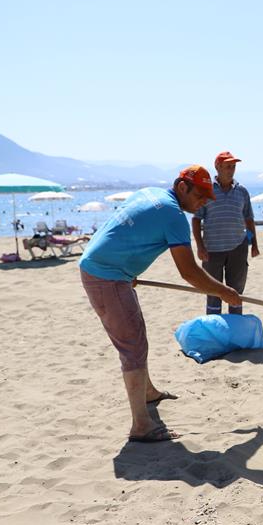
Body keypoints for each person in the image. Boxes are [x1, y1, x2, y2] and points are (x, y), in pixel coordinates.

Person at [79, 165, 241, 443]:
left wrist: (128, 270)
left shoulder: (150, 193)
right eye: (200, 195)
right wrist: (224, 291)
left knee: (137, 336)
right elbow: (189, 272)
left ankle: (148, 392)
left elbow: (120, 230)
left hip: (107, 270)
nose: (203, 202)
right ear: (182, 187)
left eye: (207, 197)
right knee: (132, 346)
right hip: (107, 276)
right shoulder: (174, 216)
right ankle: (140, 425)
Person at [192, 151, 259, 315]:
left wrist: (254, 244)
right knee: (213, 292)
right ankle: (215, 331)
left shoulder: (242, 191)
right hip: (212, 251)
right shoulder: (207, 191)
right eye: (228, 166)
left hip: (238, 248)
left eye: (233, 166)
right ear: (218, 167)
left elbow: (249, 218)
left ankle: (235, 331)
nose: (231, 169)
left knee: (235, 293)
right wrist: (200, 247)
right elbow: (196, 220)